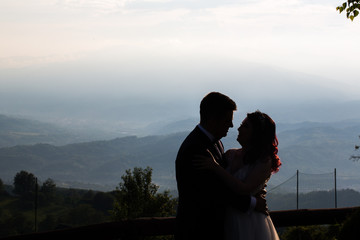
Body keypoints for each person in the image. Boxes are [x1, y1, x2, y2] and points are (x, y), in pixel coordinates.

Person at [175, 92, 267, 240]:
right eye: (227, 120)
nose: (231, 125)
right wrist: (253, 202)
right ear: (212, 119)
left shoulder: (216, 142)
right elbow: (215, 189)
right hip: (198, 231)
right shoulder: (196, 148)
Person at [208, 110, 281, 240]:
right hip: (227, 217)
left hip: (250, 222)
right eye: (242, 124)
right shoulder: (230, 155)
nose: (239, 128)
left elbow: (244, 188)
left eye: (245, 126)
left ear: (256, 134)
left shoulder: (264, 161)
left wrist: (215, 167)